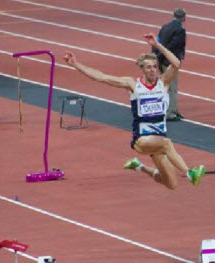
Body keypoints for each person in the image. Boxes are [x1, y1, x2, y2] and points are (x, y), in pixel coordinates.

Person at [63, 33, 205, 190]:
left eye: (155, 67)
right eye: (148, 67)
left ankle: (139, 167)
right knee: (167, 143)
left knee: (171, 183)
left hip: (158, 140)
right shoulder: (132, 84)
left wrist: (157, 45)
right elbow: (102, 77)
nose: (152, 70)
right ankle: (190, 173)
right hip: (142, 140)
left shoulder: (163, 83)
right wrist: (76, 65)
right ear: (142, 69)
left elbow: (176, 63)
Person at [153, 8, 186, 122]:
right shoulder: (180, 29)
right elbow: (175, 46)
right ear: (183, 17)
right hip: (170, 62)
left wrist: (157, 57)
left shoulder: (164, 27)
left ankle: (173, 110)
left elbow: (157, 42)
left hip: (162, 61)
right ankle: (171, 113)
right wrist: (176, 60)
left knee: (165, 86)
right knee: (172, 88)